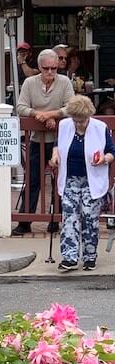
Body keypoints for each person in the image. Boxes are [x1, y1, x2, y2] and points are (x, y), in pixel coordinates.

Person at [50, 95, 114, 272]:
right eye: (75, 120)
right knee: (69, 216)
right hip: (70, 178)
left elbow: (111, 151)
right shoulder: (64, 126)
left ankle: (90, 256)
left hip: (92, 179)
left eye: (82, 120)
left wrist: (104, 159)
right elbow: (57, 145)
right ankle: (69, 257)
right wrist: (55, 156)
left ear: (89, 116)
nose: (79, 124)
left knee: (89, 217)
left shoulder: (100, 127)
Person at [13, 49, 74, 236]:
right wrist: (37, 115)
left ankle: (55, 219)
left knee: (60, 181)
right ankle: (25, 221)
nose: (50, 72)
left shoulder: (64, 82)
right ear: (39, 68)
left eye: (54, 68)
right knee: (32, 180)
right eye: (46, 68)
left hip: (60, 140)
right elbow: (21, 106)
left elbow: (72, 106)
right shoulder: (30, 83)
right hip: (37, 139)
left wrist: (52, 114)